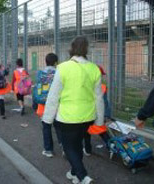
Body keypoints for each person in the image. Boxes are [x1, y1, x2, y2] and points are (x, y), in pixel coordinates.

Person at [42, 36, 104, 184]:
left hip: (67, 117)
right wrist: (99, 119)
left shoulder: (63, 67)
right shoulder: (94, 68)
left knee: (69, 147)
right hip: (87, 116)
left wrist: (47, 119)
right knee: (76, 145)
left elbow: (53, 96)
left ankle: (84, 176)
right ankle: (74, 173)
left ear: (71, 48)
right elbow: (98, 97)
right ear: (86, 49)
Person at [34, 53, 62, 158]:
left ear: (46, 61)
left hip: (43, 104)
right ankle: (63, 146)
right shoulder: (59, 72)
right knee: (58, 126)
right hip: (57, 104)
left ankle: (48, 150)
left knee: (46, 127)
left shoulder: (40, 73)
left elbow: (37, 88)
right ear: (56, 62)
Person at [84, 65, 111, 156]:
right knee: (102, 131)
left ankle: (87, 150)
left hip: (87, 114)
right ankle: (111, 146)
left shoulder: (85, 86)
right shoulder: (102, 87)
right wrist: (106, 115)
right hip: (99, 114)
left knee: (86, 133)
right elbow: (105, 103)